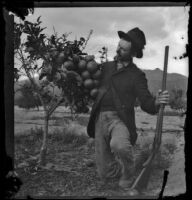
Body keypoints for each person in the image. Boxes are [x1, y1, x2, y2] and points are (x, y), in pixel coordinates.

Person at [87, 27, 170, 195]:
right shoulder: (106, 67)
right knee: (105, 173)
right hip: (99, 117)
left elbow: (146, 102)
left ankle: (129, 172)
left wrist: (157, 102)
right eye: (118, 46)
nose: (117, 50)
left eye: (123, 49)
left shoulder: (137, 75)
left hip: (120, 119)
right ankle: (119, 167)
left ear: (132, 53)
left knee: (120, 146)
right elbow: (89, 80)